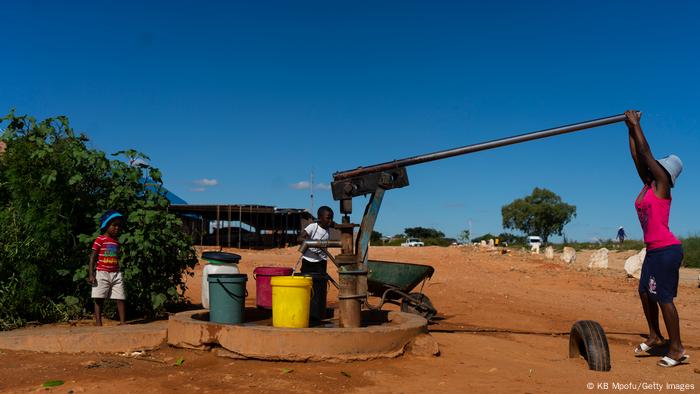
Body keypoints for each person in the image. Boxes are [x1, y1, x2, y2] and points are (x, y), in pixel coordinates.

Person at [626, 110, 687, 367]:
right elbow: (637, 156)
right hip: (653, 250)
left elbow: (646, 153)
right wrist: (629, 128)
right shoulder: (648, 184)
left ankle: (677, 348)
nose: (652, 165)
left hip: (667, 250)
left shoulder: (662, 183)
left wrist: (638, 125)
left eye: (657, 165)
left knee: (663, 298)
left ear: (665, 172)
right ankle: (655, 335)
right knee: (644, 292)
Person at [89, 210, 127, 326]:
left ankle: (122, 322)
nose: (117, 228)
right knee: (99, 298)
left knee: (120, 297)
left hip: (115, 273)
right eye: (114, 225)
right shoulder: (100, 240)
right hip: (102, 273)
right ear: (106, 225)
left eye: (119, 226)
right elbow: (92, 258)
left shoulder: (116, 242)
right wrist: (91, 274)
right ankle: (98, 323)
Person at [298, 206, 334, 274]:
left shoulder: (328, 227)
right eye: (328, 218)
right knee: (307, 282)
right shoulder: (313, 227)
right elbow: (299, 238)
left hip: (321, 261)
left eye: (332, 218)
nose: (330, 221)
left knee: (321, 282)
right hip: (308, 260)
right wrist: (311, 243)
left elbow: (336, 225)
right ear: (319, 218)